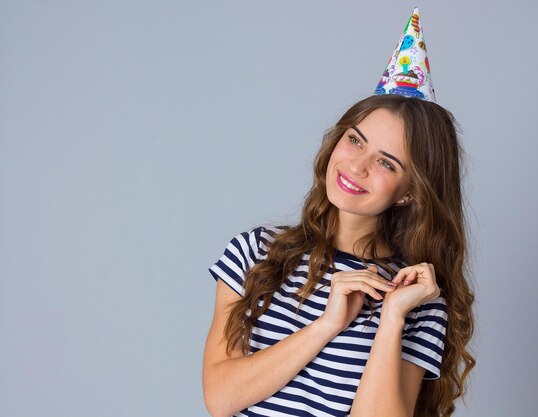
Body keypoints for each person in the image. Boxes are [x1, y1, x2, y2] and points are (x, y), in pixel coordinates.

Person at [202, 94, 475, 417]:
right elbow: (220, 399)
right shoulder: (255, 252)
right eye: (355, 141)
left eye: (386, 163)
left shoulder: (416, 298)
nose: (357, 166)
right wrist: (328, 324)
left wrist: (391, 317)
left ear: (410, 191)